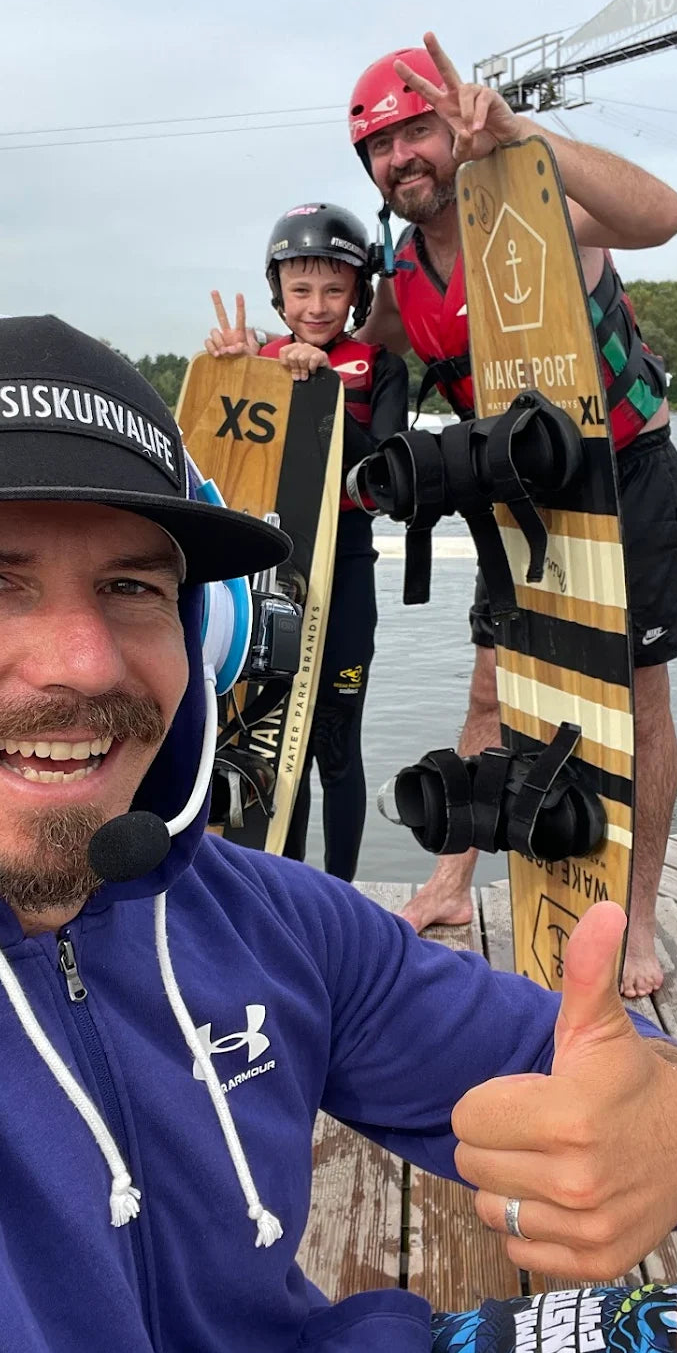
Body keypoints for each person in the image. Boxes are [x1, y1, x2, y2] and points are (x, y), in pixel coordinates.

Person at [0, 314, 677, 1353]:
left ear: (214, 633)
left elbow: (605, 1069)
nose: (86, 662)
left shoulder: (265, 919)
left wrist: (668, 1136)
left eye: (134, 587)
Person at [350, 33, 677, 998]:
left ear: (451, 129)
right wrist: (281, 354)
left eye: (417, 131)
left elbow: (664, 215)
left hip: (624, 474)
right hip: (517, 500)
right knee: (488, 695)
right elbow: (350, 347)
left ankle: (636, 918)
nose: (401, 156)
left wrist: (523, 136)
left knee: (639, 699)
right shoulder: (402, 277)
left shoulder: (539, 199)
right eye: (380, 146)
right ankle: (452, 883)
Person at [204, 203, 409, 880]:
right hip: (269, 578)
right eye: (300, 290)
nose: (316, 306)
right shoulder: (259, 361)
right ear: (279, 294)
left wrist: (320, 388)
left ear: (358, 294)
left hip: (346, 574)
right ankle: (277, 893)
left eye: (333, 289)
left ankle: (342, 899)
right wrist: (231, 375)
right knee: (267, 745)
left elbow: (383, 473)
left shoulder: (380, 368)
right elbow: (219, 464)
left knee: (336, 747)